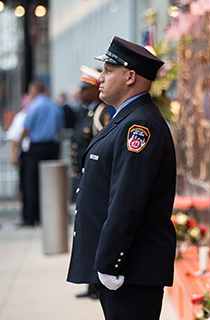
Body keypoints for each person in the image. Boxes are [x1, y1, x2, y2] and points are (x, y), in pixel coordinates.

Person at [66, 36, 177, 320]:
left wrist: (109, 263)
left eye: (108, 71)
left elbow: (127, 200)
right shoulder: (127, 119)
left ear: (130, 76)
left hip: (130, 269)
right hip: (127, 268)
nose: (100, 78)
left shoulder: (139, 126)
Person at [71, 66, 115, 300]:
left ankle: (95, 284)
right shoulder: (88, 112)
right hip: (84, 180)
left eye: (84, 88)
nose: (80, 93)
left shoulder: (102, 114)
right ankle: (91, 284)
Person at [21, 81, 64, 227]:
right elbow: (60, 130)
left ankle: (31, 218)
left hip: (37, 147)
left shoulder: (35, 106)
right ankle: (49, 216)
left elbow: (26, 127)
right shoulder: (54, 106)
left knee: (31, 183)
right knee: (51, 183)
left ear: (35, 90)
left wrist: (20, 145)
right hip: (51, 147)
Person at [6, 95, 30, 227]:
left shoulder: (31, 113)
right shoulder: (21, 116)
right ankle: (27, 216)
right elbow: (14, 137)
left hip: (31, 153)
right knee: (25, 188)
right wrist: (14, 155)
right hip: (25, 154)